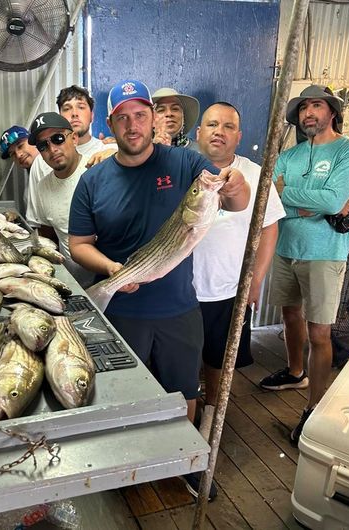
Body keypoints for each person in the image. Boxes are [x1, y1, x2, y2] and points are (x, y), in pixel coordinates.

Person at [68, 80, 250, 500]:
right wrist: (114, 269)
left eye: (140, 115)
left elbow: (235, 202)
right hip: (120, 310)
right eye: (123, 118)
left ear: (152, 117)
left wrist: (236, 186)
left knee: (183, 390)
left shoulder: (186, 164)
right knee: (121, 394)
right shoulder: (93, 180)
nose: (133, 125)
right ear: (109, 123)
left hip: (178, 308)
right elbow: (79, 246)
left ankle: (180, 462)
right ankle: (127, 465)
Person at [258, 85, 349, 445]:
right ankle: (294, 371)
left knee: (320, 333)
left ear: (331, 111)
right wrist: (306, 204)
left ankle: (314, 408)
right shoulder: (288, 156)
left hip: (325, 253)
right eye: (303, 107)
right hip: (287, 246)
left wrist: (292, 196)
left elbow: (335, 201)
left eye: (316, 105)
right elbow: (269, 199)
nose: (308, 113)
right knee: (290, 315)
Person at [192, 102, 286, 440]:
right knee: (183, 363)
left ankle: (212, 420)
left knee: (219, 361)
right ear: (198, 132)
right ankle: (186, 415)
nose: (219, 131)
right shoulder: (183, 167)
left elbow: (269, 228)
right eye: (212, 124)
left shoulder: (256, 175)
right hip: (181, 291)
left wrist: (256, 280)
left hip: (228, 288)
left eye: (228, 126)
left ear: (239, 136)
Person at [26, 85, 116, 227]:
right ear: (59, 116)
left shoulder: (109, 152)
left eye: (81, 107)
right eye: (67, 108)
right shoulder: (41, 164)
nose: (74, 114)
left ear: (92, 115)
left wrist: (118, 154)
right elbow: (41, 224)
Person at [27, 112, 94, 287]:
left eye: (57, 138)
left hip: (108, 279)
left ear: (74, 138)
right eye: (43, 146)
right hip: (71, 284)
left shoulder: (96, 172)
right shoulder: (43, 187)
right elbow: (48, 235)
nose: (52, 149)